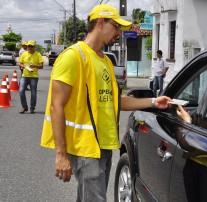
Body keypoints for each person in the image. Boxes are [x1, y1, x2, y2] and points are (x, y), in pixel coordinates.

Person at [40, 4, 172, 202]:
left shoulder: (106, 62)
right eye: (116, 26)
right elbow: (56, 106)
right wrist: (61, 155)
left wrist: (153, 101)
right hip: (84, 147)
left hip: (103, 144)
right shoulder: (73, 57)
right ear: (100, 23)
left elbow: (115, 101)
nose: (119, 33)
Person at [18, 40, 44, 114]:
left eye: (31, 46)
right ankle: (24, 107)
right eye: (28, 46)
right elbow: (20, 62)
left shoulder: (38, 55)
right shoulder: (24, 54)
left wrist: (35, 66)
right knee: (21, 90)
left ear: (34, 47)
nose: (29, 47)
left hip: (34, 76)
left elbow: (41, 66)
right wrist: (22, 65)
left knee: (33, 93)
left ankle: (32, 107)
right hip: (24, 76)